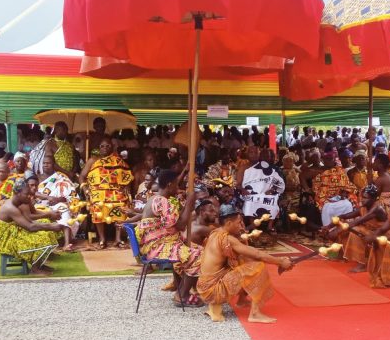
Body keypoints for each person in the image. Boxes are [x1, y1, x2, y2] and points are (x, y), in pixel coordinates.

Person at [197, 204, 293, 323]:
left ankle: (242, 300)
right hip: (213, 291)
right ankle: (255, 314)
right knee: (258, 266)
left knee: (244, 260)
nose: (241, 225)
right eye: (238, 222)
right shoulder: (228, 239)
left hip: (205, 287)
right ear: (229, 223)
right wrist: (280, 262)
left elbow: (246, 252)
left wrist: (242, 235)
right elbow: (257, 254)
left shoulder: (215, 232)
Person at [137, 170, 201, 305]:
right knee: (198, 256)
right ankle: (182, 295)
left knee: (196, 249)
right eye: (176, 185)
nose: (178, 188)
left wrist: (186, 206)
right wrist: (189, 204)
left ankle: (181, 287)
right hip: (157, 248)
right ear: (169, 185)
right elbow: (180, 226)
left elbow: (175, 223)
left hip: (156, 245)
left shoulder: (154, 199)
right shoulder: (161, 201)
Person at [0, 180, 65, 274]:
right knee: (42, 236)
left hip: (14, 232)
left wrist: (49, 219)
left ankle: (39, 264)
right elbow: (30, 226)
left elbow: (30, 220)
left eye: (29, 194)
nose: (29, 196)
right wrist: (51, 226)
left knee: (46, 229)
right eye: (26, 194)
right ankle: (35, 268)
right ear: (17, 193)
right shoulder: (11, 208)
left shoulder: (19, 202)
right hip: (6, 240)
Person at [80, 136, 133, 249]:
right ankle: (102, 238)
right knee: (97, 205)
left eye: (107, 146)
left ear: (112, 147)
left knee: (121, 203)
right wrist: (85, 190)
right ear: (99, 148)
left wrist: (127, 186)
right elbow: (82, 177)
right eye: (102, 146)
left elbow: (127, 176)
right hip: (98, 191)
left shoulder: (118, 160)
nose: (104, 148)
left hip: (116, 190)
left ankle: (118, 238)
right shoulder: (93, 160)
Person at [335, 184, 390, 273]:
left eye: (365, 198)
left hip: (381, 234)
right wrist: (332, 224)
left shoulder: (377, 208)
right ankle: (342, 256)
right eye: (362, 197)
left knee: (355, 230)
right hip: (370, 231)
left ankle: (363, 264)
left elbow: (358, 221)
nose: (362, 199)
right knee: (346, 227)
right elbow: (347, 215)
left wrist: (336, 231)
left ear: (374, 199)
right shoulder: (365, 207)